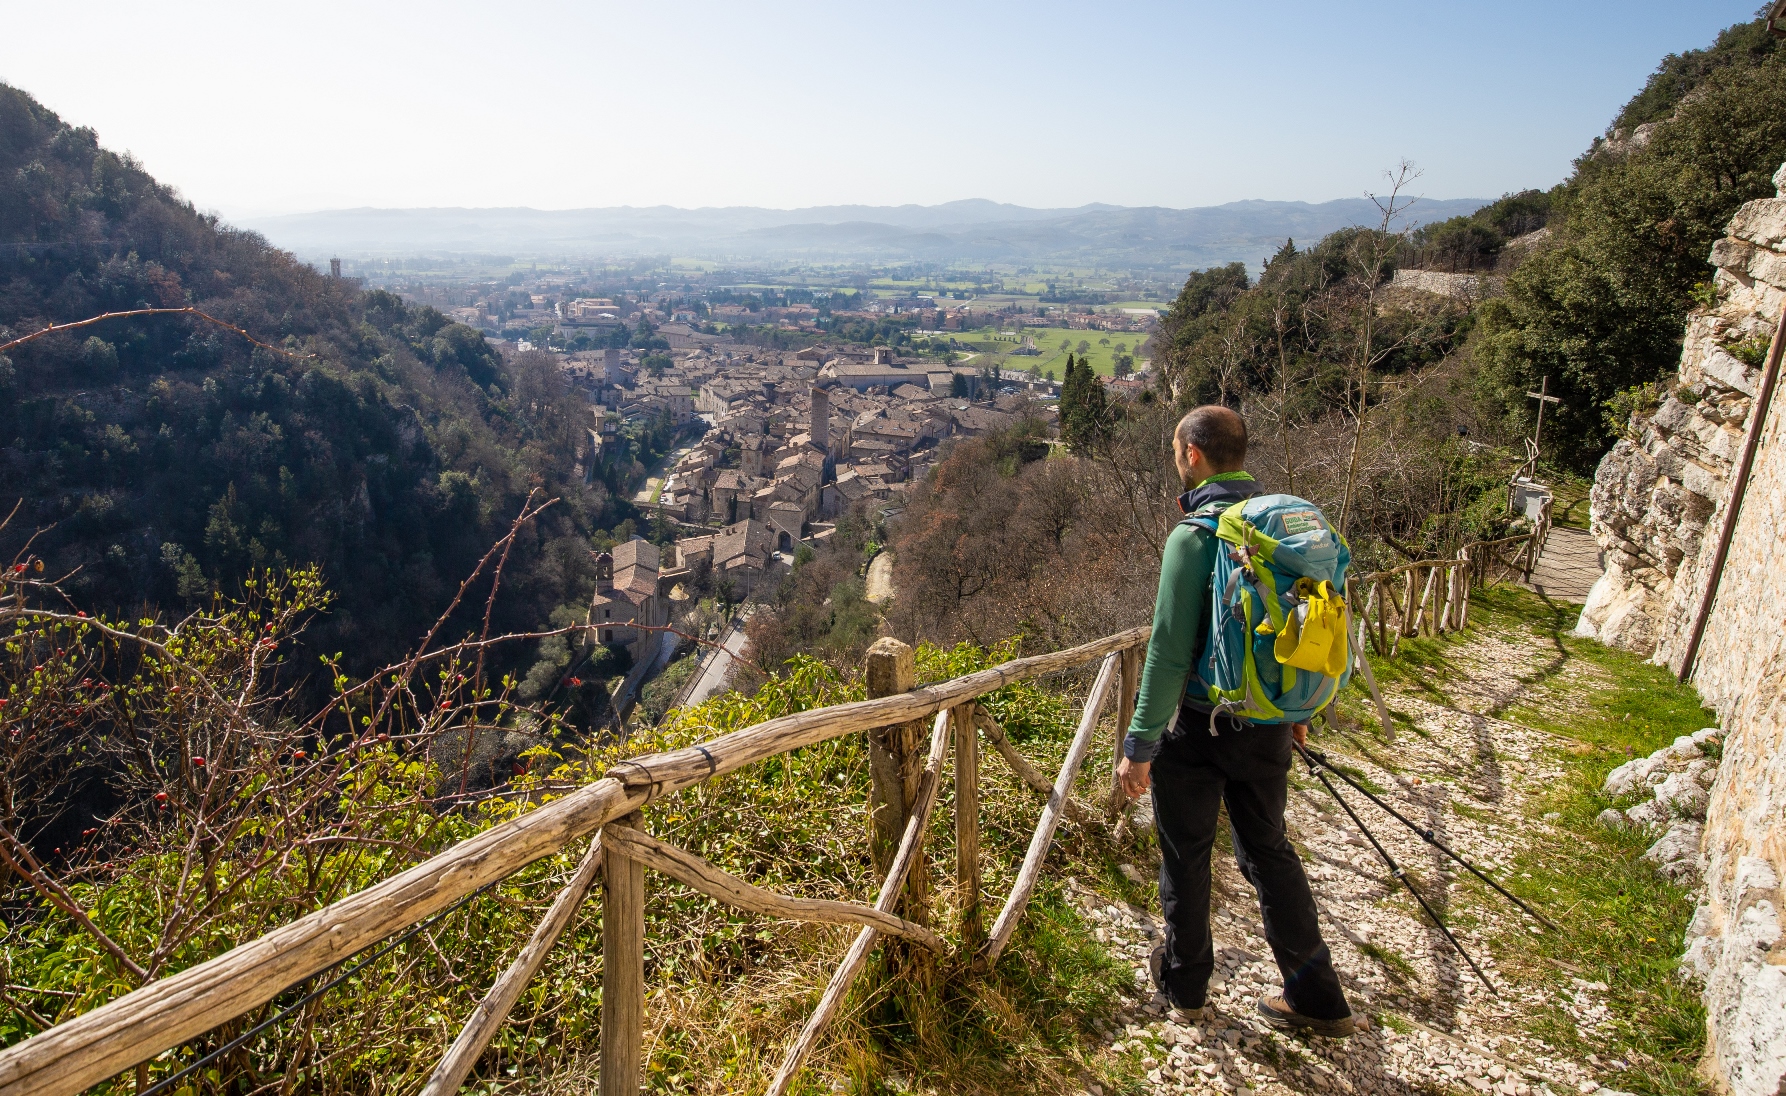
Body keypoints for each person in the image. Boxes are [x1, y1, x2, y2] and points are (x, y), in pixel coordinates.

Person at [1115, 405, 1355, 1038]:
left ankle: (1186, 987)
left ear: (1192, 455)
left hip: (1199, 728)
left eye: (1176, 449)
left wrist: (1140, 743)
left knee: (1187, 855)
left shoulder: (1196, 536)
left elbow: (1167, 652)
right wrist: (1300, 709)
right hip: (1270, 720)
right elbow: (1309, 622)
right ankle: (1318, 997)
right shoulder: (1281, 531)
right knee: (1270, 851)